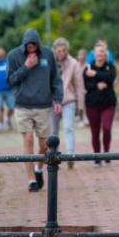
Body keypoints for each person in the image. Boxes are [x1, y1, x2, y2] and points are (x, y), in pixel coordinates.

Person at [7, 29, 63, 192]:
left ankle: (39, 168)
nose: (31, 48)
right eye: (28, 46)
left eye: (34, 46)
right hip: (23, 104)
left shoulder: (47, 54)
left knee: (44, 144)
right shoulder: (13, 55)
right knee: (28, 139)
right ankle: (31, 179)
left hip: (43, 105)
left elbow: (56, 79)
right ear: (24, 45)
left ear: (38, 45)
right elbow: (11, 80)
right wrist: (26, 67)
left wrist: (58, 99)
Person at [52, 37, 85, 169]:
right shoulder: (49, 62)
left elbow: (79, 85)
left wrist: (80, 106)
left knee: (68, 128)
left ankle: (70, 156)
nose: (61, 53)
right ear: (55, 50)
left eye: (63, 50)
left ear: (67, 50)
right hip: (52, 101)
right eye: (58, 50)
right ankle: (54, 156)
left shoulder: (73, 63)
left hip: (68, 100)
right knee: (53, 131)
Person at [83, 42, 117, 166]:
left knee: (107, 128)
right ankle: (97, 156)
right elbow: (86, 84)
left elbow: (110, 77)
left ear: (105, 54)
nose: (100, 54)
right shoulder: (88, 68)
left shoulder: (110, 66)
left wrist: (96, 75)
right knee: (95, 131)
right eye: (97, 52)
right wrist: (97, 85)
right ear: (94, 54)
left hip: (108, 103)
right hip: (92, 104)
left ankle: (106, 154)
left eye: (102, 52)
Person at [75, 48, 89, 126]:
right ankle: (79, 117)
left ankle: (84, 118)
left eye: (83, 55)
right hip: (76, 87)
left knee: (83, 103)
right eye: (80, 55)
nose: (81, 57)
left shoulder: (87, 66)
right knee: (77, 103)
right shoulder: (75, 65)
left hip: (85, 87)